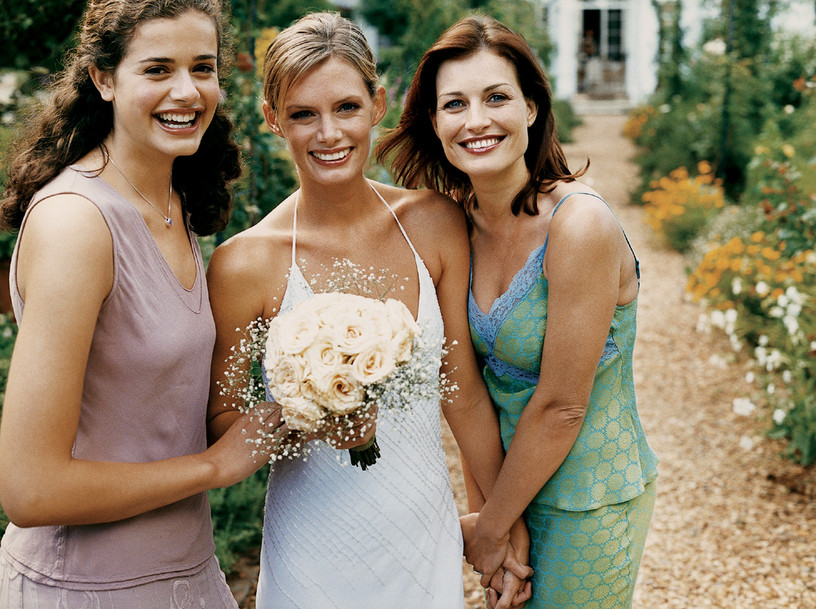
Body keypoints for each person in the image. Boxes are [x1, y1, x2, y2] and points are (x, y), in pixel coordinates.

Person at [205, 12, 532, 609]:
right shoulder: (243, 264)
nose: (328, 133)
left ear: (378, 103)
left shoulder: (432, 222)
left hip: (420, 520)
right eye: (304, 114)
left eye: (347, 107)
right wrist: (306, 413)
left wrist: (497, 528)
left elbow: (460, 392)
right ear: (273, 119)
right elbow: (223, 419)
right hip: (311, 536)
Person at [376, 15, 659, 609]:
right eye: (454, 103)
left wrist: (488, 530)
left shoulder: (578, 226)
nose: (475, 120)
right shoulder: (454, 225)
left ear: (531, 108)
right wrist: (495, 518)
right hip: (505, 489)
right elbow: (465, 385)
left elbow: (561, 406)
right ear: (434, 121)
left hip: (588, 494)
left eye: (496, 97)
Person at [0, 1, 266, 606]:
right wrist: (215, 467)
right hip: (86, 587)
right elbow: (29, 488)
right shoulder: (78, 223)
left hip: (187, 574)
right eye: (157, 69)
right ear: (102, 78)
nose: (187, 91)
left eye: (203, 67)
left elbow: (150, 413)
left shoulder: (175, 205)